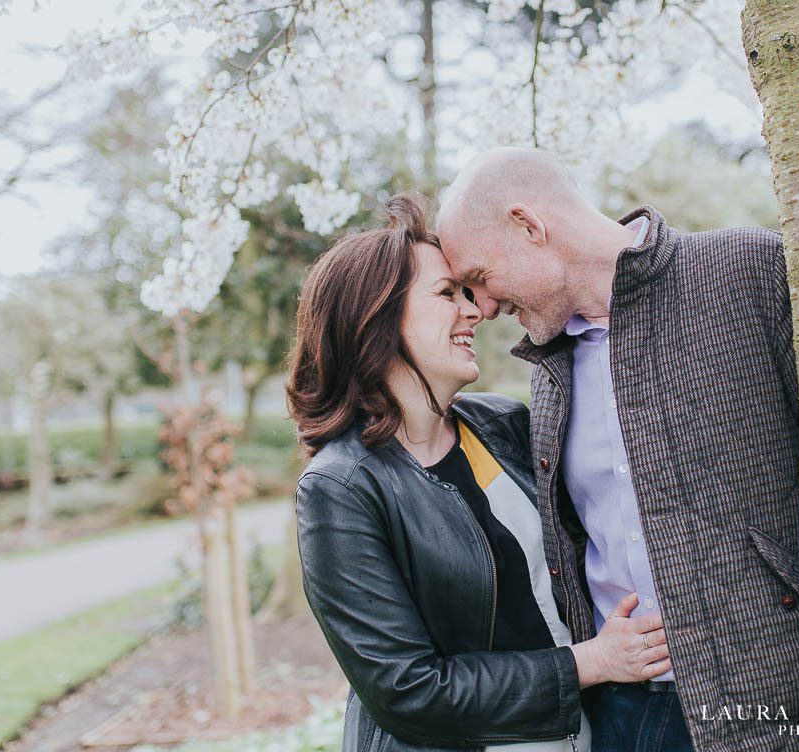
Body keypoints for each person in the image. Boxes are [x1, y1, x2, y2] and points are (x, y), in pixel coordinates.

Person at [434, 146, 799, 752]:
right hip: (620, 718)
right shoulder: (548, 367)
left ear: (529, 225)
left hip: (788, 710)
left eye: (480, 279)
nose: (481, 309)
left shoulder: (753, 271)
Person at [288, 195, 672, 752]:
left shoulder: (503, 425)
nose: (474, 311)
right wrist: (589, 663)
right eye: (447, 295)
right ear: (374, 317)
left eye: (468, 293)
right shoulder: (341, 489)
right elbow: (408, 690)